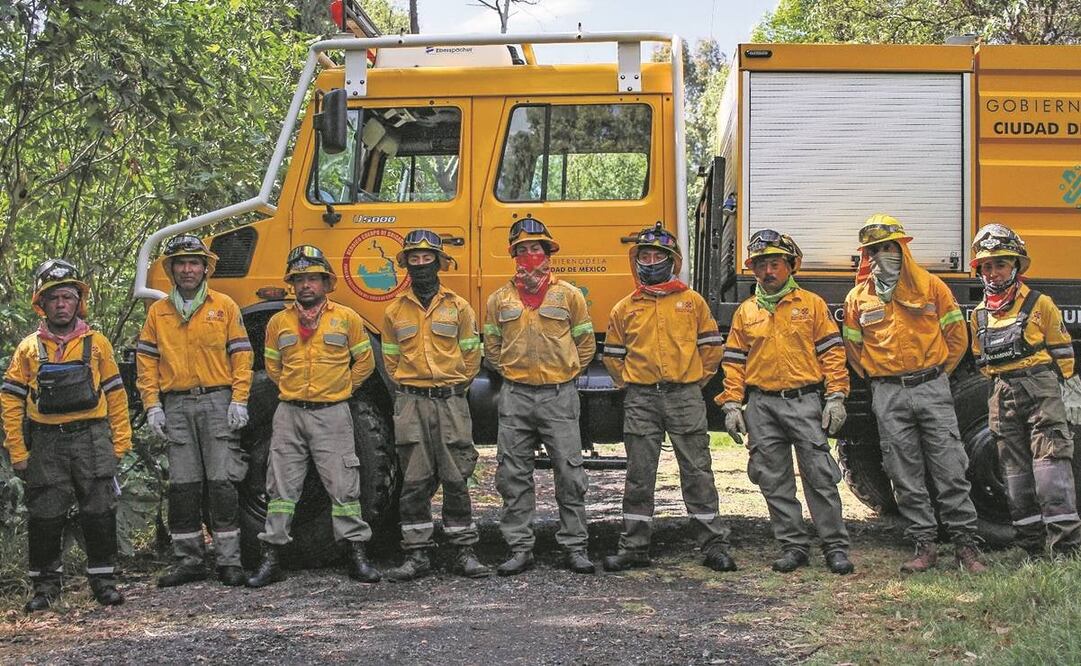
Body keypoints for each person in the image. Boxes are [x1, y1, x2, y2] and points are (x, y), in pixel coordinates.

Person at [842, 214, 986, 573]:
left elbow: (957, 338)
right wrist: (879, 378)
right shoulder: (858, 298)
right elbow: (853, 350)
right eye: (872, 251)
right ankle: (925, 546)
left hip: (931, 388)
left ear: (902, 249)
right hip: (888, 394)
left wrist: (936, 376)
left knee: (950, 467)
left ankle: (966, 548)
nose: (879, 256)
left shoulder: (931, 286)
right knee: (903, 472)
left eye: (887, 248)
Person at [601, 223, 737, 573]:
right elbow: (613, 358)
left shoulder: (692, 303)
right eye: (643, 256)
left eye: (657, 256)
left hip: (684, 397)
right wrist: (631, 385)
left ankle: (713, 545)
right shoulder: (624, 308)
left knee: (697, 472)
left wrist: (693, 381)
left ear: (672, 261)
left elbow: (711, 351)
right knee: (639, 476)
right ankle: (634, 547)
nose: (650, 262)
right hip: (641, 400)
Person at [718, 230, 853, 575]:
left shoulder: (811, 305)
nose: (767, 271)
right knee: (773, 479)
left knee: (820, 477)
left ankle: (835, 548)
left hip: (804, 401)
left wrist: (836, 396)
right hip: (762, 406)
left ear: (791, 266)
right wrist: (732, 404)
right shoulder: (746, 313)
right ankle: (793, 546)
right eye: (760, 265)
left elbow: (833, 354)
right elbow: (734, 362)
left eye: (775, 264)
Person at [247, 245, 380, 587]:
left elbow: (365, 362)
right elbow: (273, 366)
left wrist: (342, 389)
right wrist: (293, 390)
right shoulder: (278, 322)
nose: (306, 285)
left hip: (332, 414)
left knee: (344, 487)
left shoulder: (346, 318)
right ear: (292, 284)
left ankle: (355, 556)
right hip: (289, 414)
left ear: (326, 283)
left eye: (313, 279)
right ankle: (271, 559)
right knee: (279, 487)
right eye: (300, 279)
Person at [1, 260, 131, 611]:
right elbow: (10, 402)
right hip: (46, 440)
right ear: (40, 304)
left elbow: (117, 394)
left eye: (67, 297)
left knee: (100, 509)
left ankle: (104, 582)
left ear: (79, 302)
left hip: (91, 437)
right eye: (53, 298)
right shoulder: (28, 349)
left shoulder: (98, 344)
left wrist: (120, 443)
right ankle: (44, 587)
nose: (61, 304)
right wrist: (18, 450)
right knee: (45, 514)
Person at [136, 234, 253, 588]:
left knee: (222, 483)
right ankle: (189, 560)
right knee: (183, 487)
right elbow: (146, 363)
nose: (188, 269)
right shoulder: (158, 312)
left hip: (217, 401)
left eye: (194, 262)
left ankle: (229, 560)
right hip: (176, 404)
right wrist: (153, 406)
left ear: (205, 268)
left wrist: (239, 398)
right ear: (171, 269)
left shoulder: (225, 306)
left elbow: (242, 355)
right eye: (181, 263)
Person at [482, 217, 595, 576]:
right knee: (512, 474)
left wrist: (563, 373)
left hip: (558, 397)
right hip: (515, 397)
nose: (530, 256)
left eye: (536, 249)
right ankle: (519, 548)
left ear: (548, 254)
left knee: (570, 473)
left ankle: (575, 547)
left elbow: (586, 344)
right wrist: (515, 373)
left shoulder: (570, 295)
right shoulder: (499, 300)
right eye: (523, 250)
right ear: (513, 256)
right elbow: (492, 347)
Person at [381, 230, 490, 581]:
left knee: (457, 476)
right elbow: (391, 361)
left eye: (428, 259)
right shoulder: (394, 311)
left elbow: (472, 355)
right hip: (412, 403)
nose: (422, 265)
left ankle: (463, 552)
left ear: (439, 263)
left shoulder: (459, 307)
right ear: (406, 265)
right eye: (415, 259)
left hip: (450, 402)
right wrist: (413, 387)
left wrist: (454, 387)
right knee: (414, 480)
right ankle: (417, 555)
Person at [969, 223, 1081, 559]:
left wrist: (1069, 392)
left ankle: (1065, 549)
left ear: (1016, 266)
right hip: (1002, 393)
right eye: (986, 266)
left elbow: (1063, 352)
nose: (993, 272)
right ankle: (1030, 547)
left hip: (1041, 388)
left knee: (1051, 472)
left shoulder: (1040, 303)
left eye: (1000, 264)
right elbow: (981, 361)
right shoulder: (978, 315)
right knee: (1015, 476)